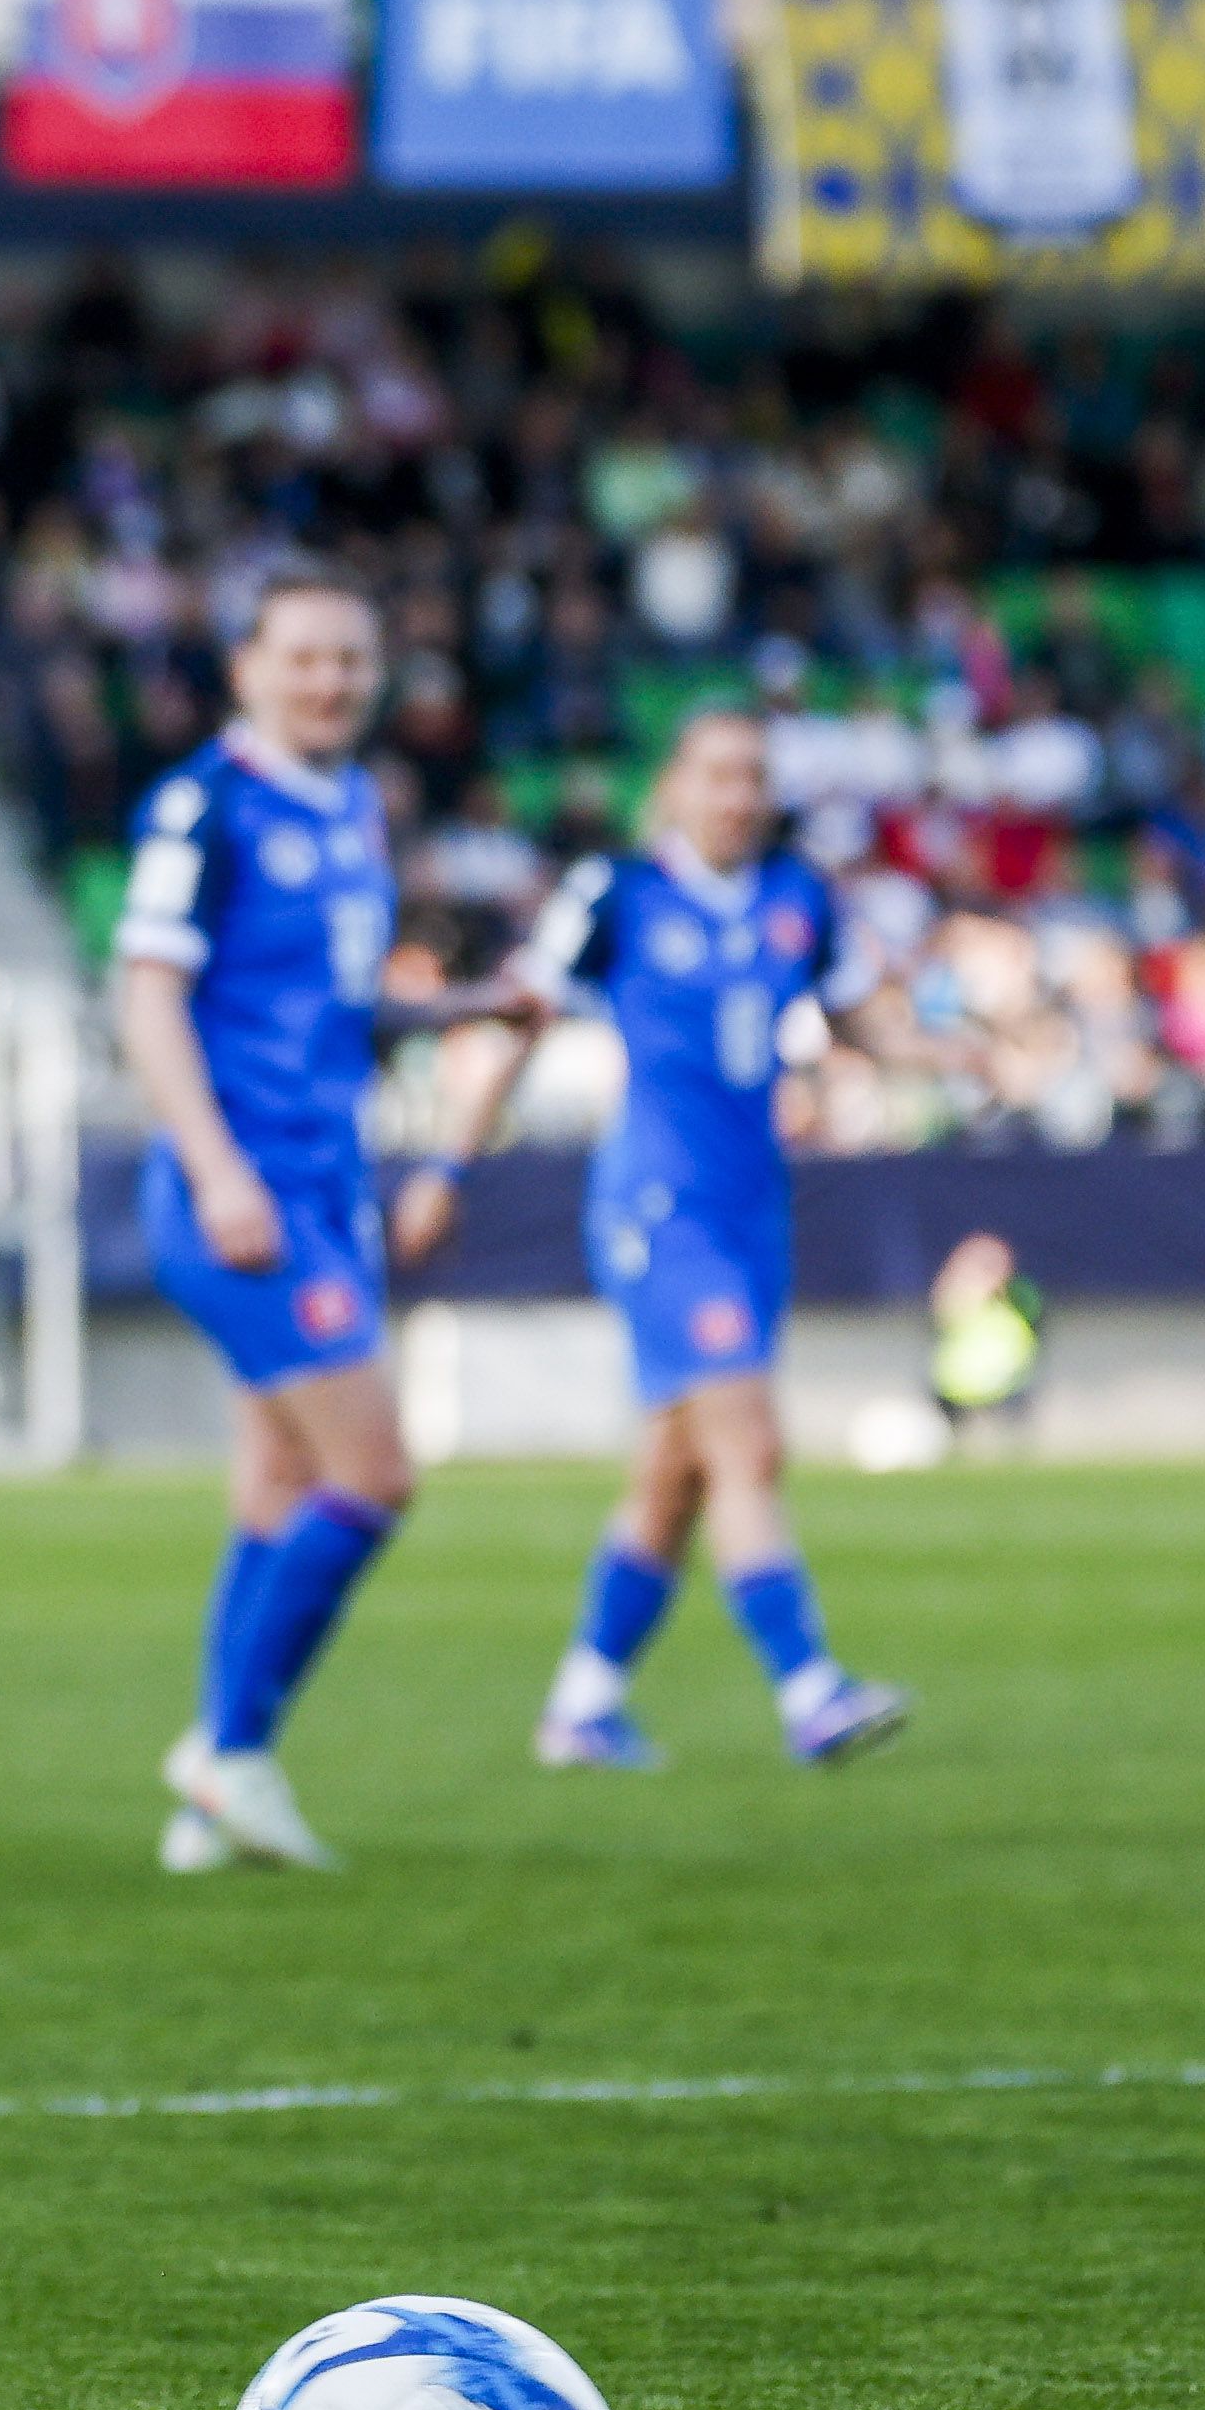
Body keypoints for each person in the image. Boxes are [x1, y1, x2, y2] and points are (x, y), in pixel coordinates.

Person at [421, 708, 911, 1775]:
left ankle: (582, 1707)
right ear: (676, 786)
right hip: (661, 1210)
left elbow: (864, 1019)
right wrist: (447, 1167)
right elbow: (521, 1021)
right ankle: (810, 1687)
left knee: (676, 1474)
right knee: (750, 1442)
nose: (737, 795)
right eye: (716, 774)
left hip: (752, 1211)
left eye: (753, 777)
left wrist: (949, 1049)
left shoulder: (800, 897)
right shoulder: (619, 893)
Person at [109, 566, 467, 1874]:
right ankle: (229, 1749)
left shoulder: (358, 804)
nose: (329, 682)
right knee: (375, 1472)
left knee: (277, 1479)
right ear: (245, 669)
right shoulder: (204, 805)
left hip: (324, 1181)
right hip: (244, 1192)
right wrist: (217, 1172)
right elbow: (146, 999)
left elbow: (327, 1008)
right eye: (304, 658)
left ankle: (219, 1788)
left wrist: (463, 1013)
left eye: (351, 661)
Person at [930, 1231, 1047, 1453]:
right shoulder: (959, 1296)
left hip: (1007, 1381)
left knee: (1012, 1442)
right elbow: (944, 1314)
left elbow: (1033, 1314)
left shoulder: (1017, 1295)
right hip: (959, 1384)